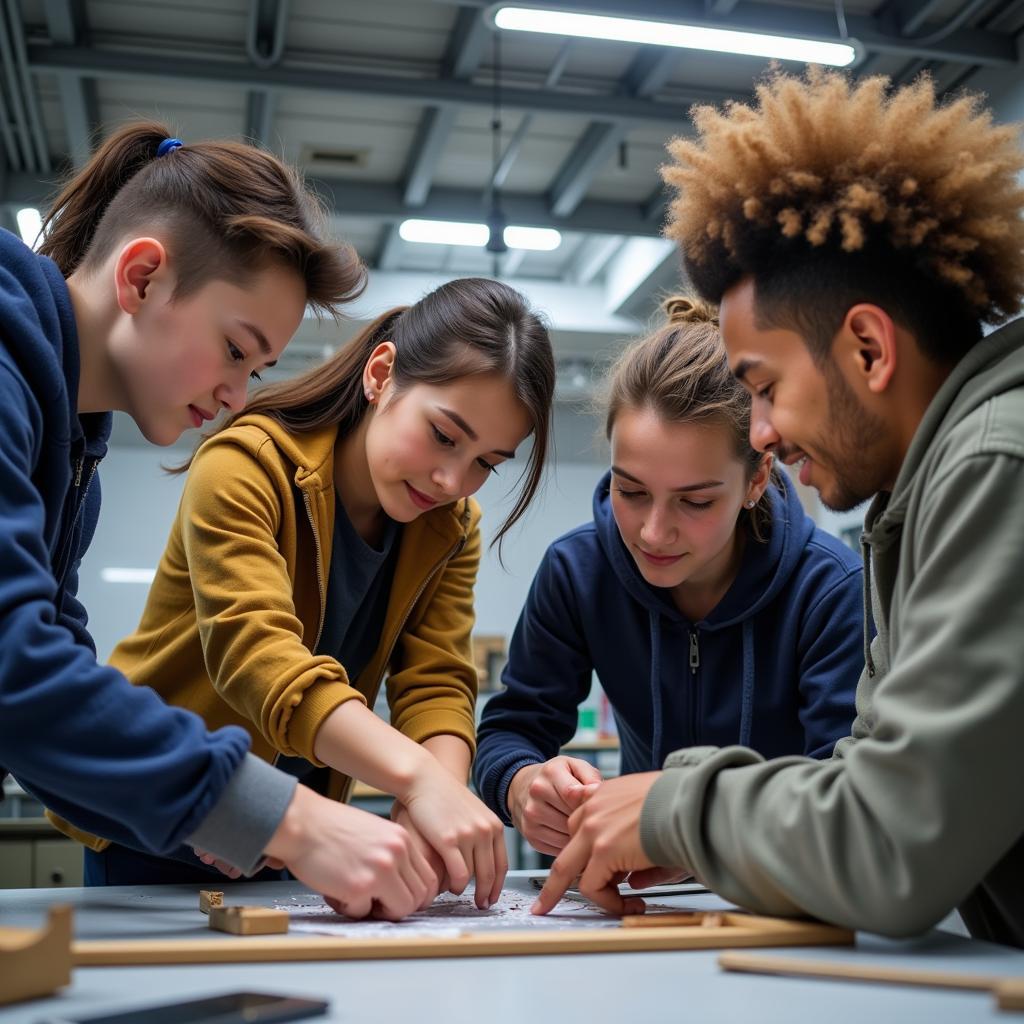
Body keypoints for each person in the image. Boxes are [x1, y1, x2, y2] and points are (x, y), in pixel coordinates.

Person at [533, 68, 1024, 947]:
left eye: (763, 388)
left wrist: (676, 807)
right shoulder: (922, 491)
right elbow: (873, 783)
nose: (759, 433)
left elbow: (889, 840)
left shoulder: (995, 465)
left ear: (868, 348)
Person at [0, 119, 441, 920]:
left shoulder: (71, 464)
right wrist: (290, 816)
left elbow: (49, 702)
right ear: (142, 278)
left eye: (258, 367)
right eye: (235, 349)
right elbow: (11, 667)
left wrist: (233, 828)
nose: (238, 395)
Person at [52, 277, 556, 908]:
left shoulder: (451, 527)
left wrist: (436, 798)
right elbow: (259, 660)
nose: (453, 478)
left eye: (487, 462)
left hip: (299, 831)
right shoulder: (243, 464)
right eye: (444, 435)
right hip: (156, 820)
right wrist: (419, 778)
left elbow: (435, 683)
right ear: (381, 375)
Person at [475, 297, 862, 858]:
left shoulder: (830, 591)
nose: (654, 534)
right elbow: (511, 728)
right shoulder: (577, 572)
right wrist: (521, 785)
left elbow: (846, 793)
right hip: (639, 888)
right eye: (629, 491)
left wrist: (686, 817)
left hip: (786, 886)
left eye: (696, 502)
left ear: (757, 480)